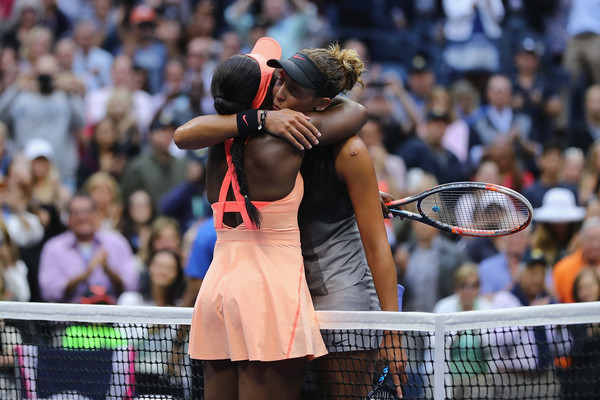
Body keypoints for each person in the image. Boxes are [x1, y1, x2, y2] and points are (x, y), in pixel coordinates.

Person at [175, 38, 406, 398]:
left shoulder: (349, 150)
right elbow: (356, 111)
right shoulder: (276, 136)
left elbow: (379, 249)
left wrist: (393, 332)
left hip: (335, 294)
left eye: (292, 88)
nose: (279, 93)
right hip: (280, 295)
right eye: (278, 81)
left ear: (323, 103)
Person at [38, 192, 139, 303]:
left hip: (112, 315)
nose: (82, 217)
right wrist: (84, 275)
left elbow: (132, 287)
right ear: (68, 217)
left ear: (96, 214)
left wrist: (108, 270)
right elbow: (49, 292)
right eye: (76, 212)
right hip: (70, 316)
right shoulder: (54, 248)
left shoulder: (117, 243)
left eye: (87, 211)